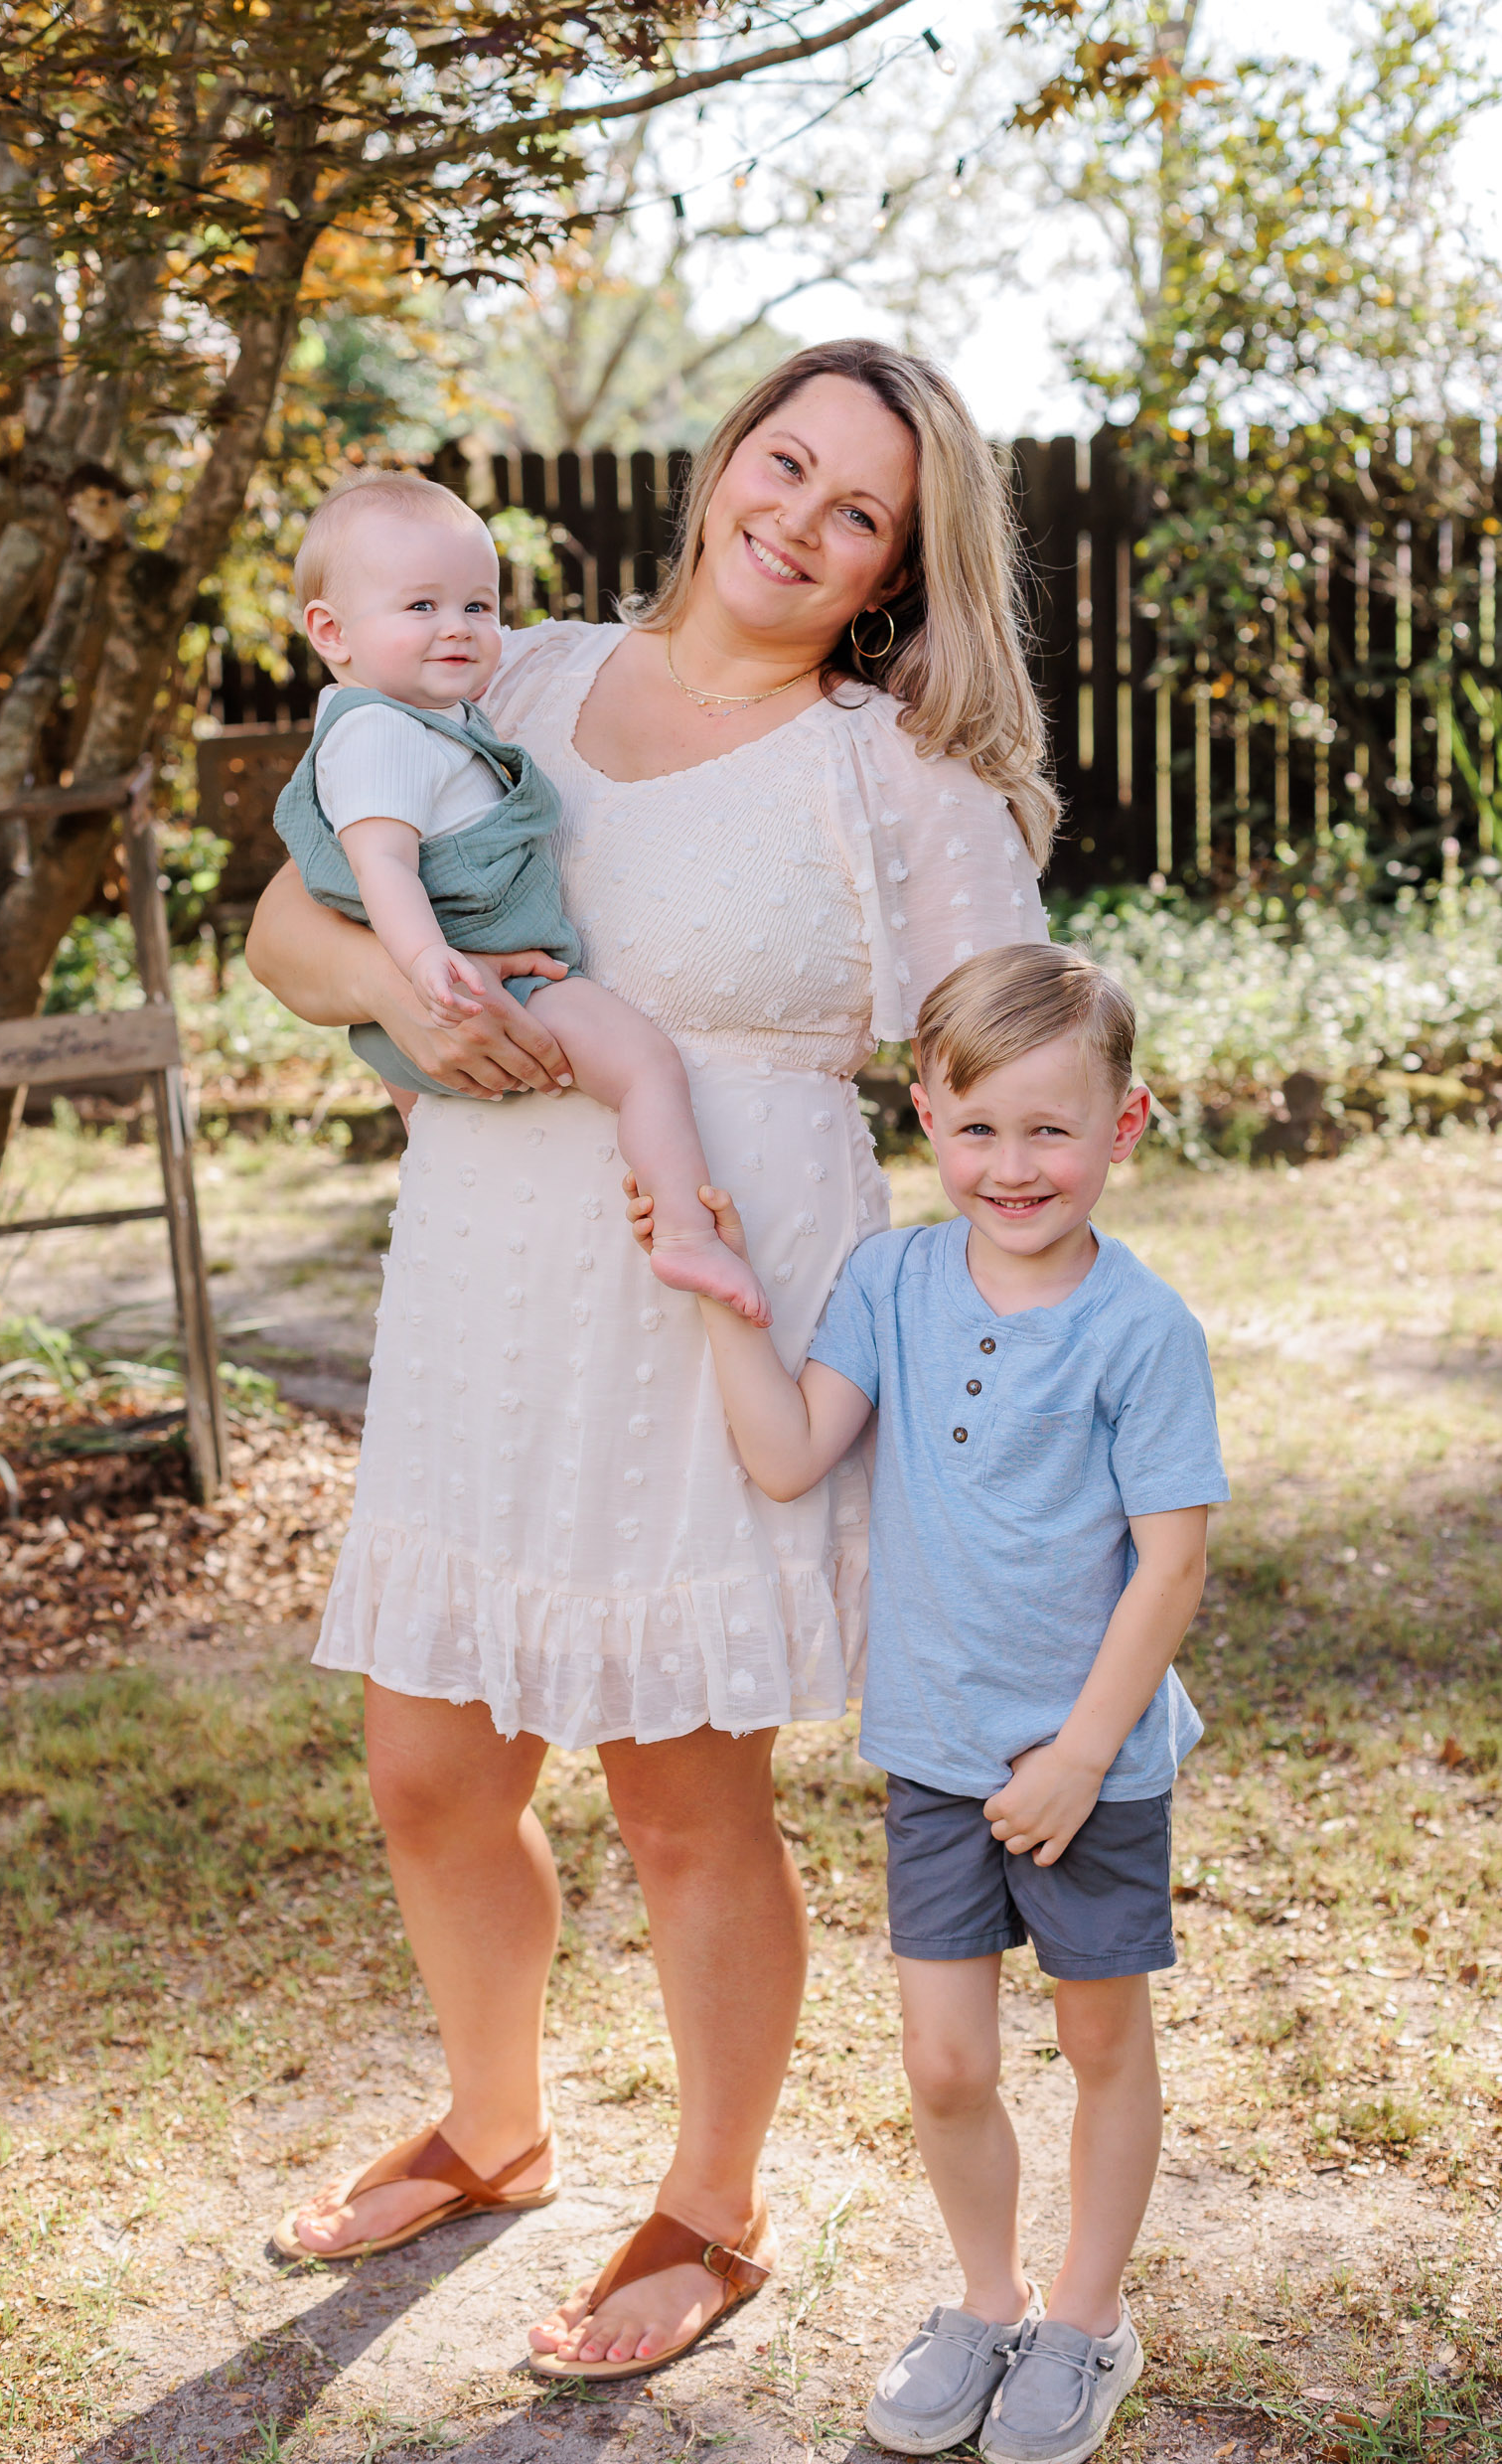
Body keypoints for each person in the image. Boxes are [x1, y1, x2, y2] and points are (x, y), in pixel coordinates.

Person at [243, 339, 1057, 2377]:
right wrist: (404, 1004)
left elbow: (1014, 1058)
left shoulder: (900, 775)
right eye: (782, 463)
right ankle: (494, 2125)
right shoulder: (506, 678)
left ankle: (712, 2198)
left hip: (722, 1296)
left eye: (853, 509)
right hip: (484, 1277)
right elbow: (283, 917)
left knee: (684, 1794)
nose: (795, 517)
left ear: (889, 567)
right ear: (724, 465)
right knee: (429, 1764)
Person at [659, 942, 1229, 2458]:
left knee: (1102, 2045)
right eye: (979, 1127)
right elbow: (788, 1452)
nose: (1013, 1163)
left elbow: (1169, 1572)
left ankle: (1086, 2324)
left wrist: (1081, 1755)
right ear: (925, 1114)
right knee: (946, 2060)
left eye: (1052, 1128)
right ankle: (988, 2305)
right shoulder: (893, 1281)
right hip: (933, 1752)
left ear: (1126, 1125)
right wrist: (725, 1298)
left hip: (1086, 1768)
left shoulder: (1140, 1331)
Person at [272, 470, 768, 1323]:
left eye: (477, 605)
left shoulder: (437, 719)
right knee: (644, 1066)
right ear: (331, 632)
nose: (458, 629)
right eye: (420, 607)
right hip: (475, 993)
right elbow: (381, 868)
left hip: (468, 974)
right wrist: (432, 966)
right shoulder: (377, 733)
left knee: (442, 1166)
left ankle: (445, 1228)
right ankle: (686, 1229)